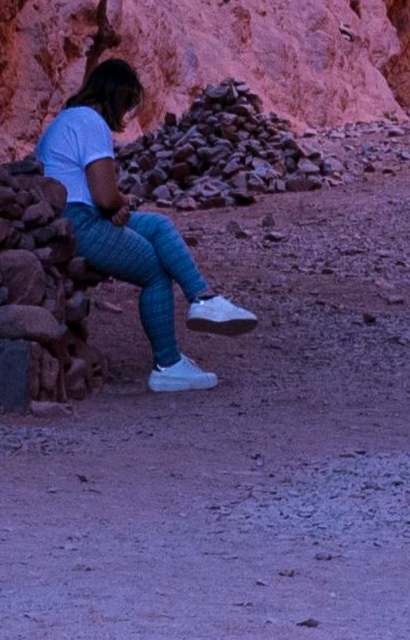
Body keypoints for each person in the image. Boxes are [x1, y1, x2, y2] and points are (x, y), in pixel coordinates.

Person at [33, 55, 256, 392]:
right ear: (117, 96)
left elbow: (96, 195)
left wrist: (117, 207)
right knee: (154, 269)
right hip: (78, 224)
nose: (124, 115)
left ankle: (204, 299)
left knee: (158, 226)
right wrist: (120, 204)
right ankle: (167, 365)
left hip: (72, 215)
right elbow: (106, 196)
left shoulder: (67, 120)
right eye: (126, 105)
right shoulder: (92, 122)